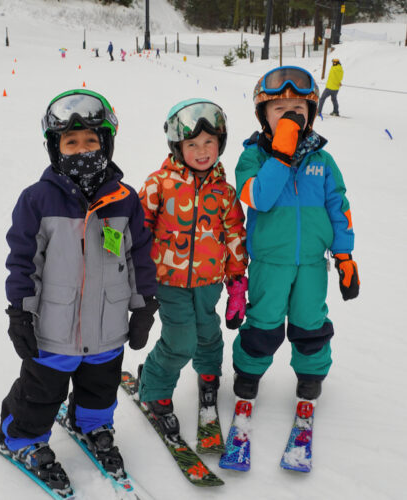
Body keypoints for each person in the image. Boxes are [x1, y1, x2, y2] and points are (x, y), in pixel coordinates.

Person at [0, 88, 158, 492]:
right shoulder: (37, 200)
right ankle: (24, 438)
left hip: (107, 326)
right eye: (71, 142)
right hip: (53, 330)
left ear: (107, 142)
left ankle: (92, 426)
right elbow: (23, 261)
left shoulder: (125, 200)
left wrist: (142, 308)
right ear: (55, 147)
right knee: (40, 394)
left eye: (91, 140)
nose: (81, 149)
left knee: (101, 389)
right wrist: (20, 311)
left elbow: (139, 257)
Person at [233, 66, 359, 409]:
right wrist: (281, 154)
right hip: (269, 263)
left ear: (311, 117)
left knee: (310, 323)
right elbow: (260, 196)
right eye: (280, 110)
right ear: (263, 116)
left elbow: (339, 207)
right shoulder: (252, 157)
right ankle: (248, 372)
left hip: (312, 265)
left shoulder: (323, 160)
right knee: (263, 324)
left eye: (299, 111)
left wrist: (345, 256)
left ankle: (311, 376)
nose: (290, 116)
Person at [137, 98, 248, 434]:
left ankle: (209, 373)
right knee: (180, 340)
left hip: (209, 281)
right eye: (192, 144)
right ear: (178, 146)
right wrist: (131, 273)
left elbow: (234, 237)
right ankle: (155, 389)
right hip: (168, 280)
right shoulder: (159, 183)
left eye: (209, 142)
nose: (202, 151)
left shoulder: (225, 193)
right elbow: (137, 227)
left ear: (220, 143)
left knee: (208, 332)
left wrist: (238, 285)